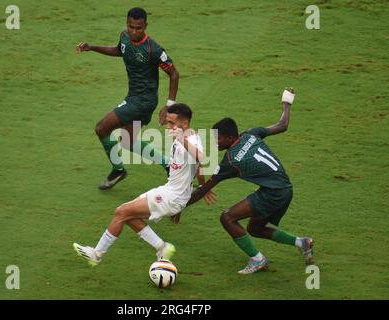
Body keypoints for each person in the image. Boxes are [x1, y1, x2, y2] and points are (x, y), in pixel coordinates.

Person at [185, 88, 314, 274]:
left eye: (218, 139)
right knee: (255, 228)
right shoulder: (251, 134)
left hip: (273, 193)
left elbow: (203, 190)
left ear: (230, 137)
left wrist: (178, 205)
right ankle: (302, 242)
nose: (216, 143)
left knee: (227, 217)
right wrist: (286, 103)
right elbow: (283, 125)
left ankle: (258, 260)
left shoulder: (231, 160)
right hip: (285, 188)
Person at [73, 104, 216, 265]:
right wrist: (202, 189)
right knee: (129, 216)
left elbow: (201, 158)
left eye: (172, 123)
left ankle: (96, 255)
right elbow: (198, 168)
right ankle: (162, 247)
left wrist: (181, 139)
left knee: (121, 212)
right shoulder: (183, 139)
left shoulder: (189, 140)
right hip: (171, 192)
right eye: (167, 122)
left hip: (171, 197)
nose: (168, 127)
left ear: (184, 123)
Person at [76, 7, 180, 190]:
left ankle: (118, 170)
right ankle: (169, 166)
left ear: (145, 26)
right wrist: (92, 47)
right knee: (127, 141)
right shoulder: (124, 36)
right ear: (127, 24)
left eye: (138, 28)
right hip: (134, 97)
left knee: (101, 128)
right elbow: (119, 50)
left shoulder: (153, 49)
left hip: (143, 101)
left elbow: (174, 74)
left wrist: (169, 105)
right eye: (131, 26)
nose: (134, 31)